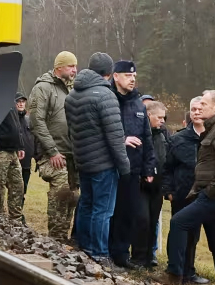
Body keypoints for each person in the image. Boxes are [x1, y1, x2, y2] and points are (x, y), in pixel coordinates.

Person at [165, 90, 215, 285]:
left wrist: (208, 192)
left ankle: (174, 276)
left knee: (179, 222)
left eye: (205, 104)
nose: (200, 108)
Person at [65, 52, 130, 268]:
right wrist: (124, 166)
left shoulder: (72, 96)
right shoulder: (105, 96)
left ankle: (83, 246)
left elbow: (71, 131)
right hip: (103, 163)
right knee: (103, 210)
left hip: (83, 160)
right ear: (109, 73)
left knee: (86, 204)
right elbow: (114, 135)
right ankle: (100, 253)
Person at [108, 60, 156, 270]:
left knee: (128, 213)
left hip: (133, 169)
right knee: (108, 212)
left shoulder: (138, 102)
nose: (132, 79)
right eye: (128, 76)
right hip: (110, 166)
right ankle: (102, 251)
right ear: (116, 76)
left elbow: (146, 136)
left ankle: (120, 255)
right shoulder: (108, 98)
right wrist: (121, 140)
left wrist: (148, 167)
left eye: (134, 76)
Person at [28, 51, 78, 242]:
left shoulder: (73, 89)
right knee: (61, 192)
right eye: (70, 66)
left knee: (73, 196)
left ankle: (63, 238)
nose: (75, 70)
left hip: (72, 154)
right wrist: (52, 151)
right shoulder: (43, 88)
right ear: (59, 67)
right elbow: (36, 122)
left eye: (75, 66)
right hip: (52, 153)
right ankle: (55, 239)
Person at [161, 98, 210, 284]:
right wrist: (168, 191)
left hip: (206, 195)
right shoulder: (178, 139)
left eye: (200, 109)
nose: (196, 112)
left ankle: (189, 272)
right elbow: (167, 168)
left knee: (194, 237)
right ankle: (175, 272)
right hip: (182, 194)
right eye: (193, 109)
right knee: (178, 234)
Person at [131, 100, 171, 268]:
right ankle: (138, 257)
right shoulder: (138, 133)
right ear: (149, 115)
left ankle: (149, 256)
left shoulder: (163, 134)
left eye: (164, 118)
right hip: (141, 185)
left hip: (158, 187)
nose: (162, 121)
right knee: (142, 220)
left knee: (153, 221)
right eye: (159, 117)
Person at [0, 98, 26, 222]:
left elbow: (16, 125)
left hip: (12, 152)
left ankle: (16, 219)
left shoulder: (9, 100)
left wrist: (20, 145)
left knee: (18, 185)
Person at [16, 92, 37, 206]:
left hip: (26, 162)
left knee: (23, 189)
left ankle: (19, 210)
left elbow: (34, 139)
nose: (21, 104)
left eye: (23, 102)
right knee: (13, 189)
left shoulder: (29, 120)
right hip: (13, 161)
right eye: (18, 102)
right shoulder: (11, 119)